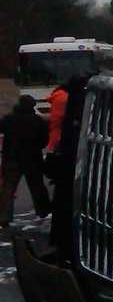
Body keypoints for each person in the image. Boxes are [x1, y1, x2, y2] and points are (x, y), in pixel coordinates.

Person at [48, 74, 91, 252]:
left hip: (62, 154)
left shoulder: (64, 98)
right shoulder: (78, 102)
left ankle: (61, 241)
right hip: (71, 158)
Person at [0, 95, 53, 229]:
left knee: (8, 188)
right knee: (37, 187)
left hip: (11, 158)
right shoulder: (37, 120)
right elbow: (44, 139)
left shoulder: (9, 119)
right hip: (32, 159)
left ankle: (3, 217)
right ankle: (43, 213)